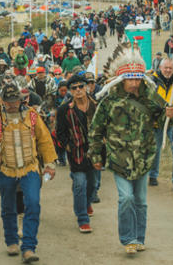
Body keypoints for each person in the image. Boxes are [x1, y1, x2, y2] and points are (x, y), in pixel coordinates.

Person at [88, 48, 173, 255]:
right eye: (130, 79)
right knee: (126, 198)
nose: (134, 83)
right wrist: (96, 155)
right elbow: (96, 129)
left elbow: (164, 121)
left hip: (144, 158)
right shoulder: (109, 101)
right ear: (122, 80)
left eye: (137, 79)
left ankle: (139, 238)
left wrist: (170, 114)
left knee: (141, 202)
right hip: (119, 159)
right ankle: (128, 239)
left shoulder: (151, 97)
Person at [0, 84, 57, 263]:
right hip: (5, 168)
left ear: (20, 99)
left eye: (15, 100)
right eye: (8, 101)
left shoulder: (31, 115)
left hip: (30, 167)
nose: (12, 104)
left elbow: (44, 139)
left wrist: (49, 164)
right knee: (8, 207)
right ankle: (11, 240)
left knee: (33, 203)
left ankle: (29, 247)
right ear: (2, 101)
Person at [56, 74, 98, 233]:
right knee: (80, 183)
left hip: (95, 153)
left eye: (81, 86)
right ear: (70, 91)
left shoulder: (97, 104)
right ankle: (83, 219)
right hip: (76, 154)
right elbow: (59, 132)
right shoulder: (64, 109)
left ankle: (86, 203)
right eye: (74, 88)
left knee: (93, 184)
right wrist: (67, 146)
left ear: (87, 87)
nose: (78, 90)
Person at [148, 59, 173, 192]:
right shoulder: (152, 81)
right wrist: (161, 110)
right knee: (156, 149)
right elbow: (149, 101)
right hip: (156, 122)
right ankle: (153, 175)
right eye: (166, 68)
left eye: (170, 68)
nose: (168, 70)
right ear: (160, 67)